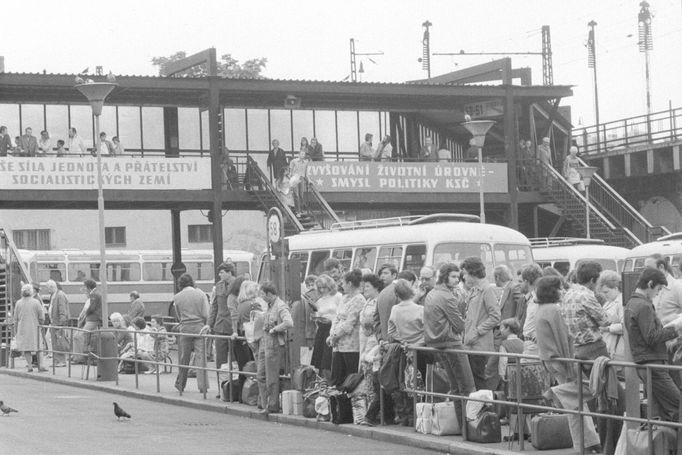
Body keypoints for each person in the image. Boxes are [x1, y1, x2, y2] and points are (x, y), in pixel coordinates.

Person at [534, 275, 602, 453]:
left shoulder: (541, 308)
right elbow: (564, 338)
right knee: (576, 401)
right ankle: (584, 444)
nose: (563, 291)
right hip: (561, 360)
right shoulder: (553, 310)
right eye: (560, 288)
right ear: (553, 291)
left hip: (551, 359)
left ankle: (590, 441)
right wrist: (571, 365)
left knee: (576, 402)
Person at [625, 268, 682, 422]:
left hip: (646, 362)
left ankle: (670, 445)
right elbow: (651, 337)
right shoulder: (643, 306)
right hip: (653, 363)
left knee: (665, 409)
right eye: (658, 289)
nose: (658, 293)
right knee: (678, 404)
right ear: (650, 284)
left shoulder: (632, 303)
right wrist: (675, 328)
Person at [423, 263, 476, 421]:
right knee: (467, 386)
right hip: (451, 342)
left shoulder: (432, 293)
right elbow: (460, 324)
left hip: (436, 343)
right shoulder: (447, 296)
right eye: (453, 277)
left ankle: (462, 425)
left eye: (457, 277)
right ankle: (467, 425)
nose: (456, 280)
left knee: (455, 386)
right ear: (444, 276)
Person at [560, 261, 610, 374]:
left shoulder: (568, 294)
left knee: (587, 386)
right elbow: (605, 321)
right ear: (592, 280)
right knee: (610, 385)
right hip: (594, 347)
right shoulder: (586, 296)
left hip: (576, 346)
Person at [461, 256, 501, 390]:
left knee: (479, 381)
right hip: (471, 345)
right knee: (474, 380)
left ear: (472, 273)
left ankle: (485, 409)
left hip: (479, 345)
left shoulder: (487, 290)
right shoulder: (475, 289)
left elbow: (495, 316)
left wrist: (477, 331)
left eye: (465, 273)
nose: (464, 277)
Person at [257, 281, 293, 414]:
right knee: (260, 374)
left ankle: (272, 405)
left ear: (269, 294)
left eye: (263, 294)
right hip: (265, 344)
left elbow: (289, 322)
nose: (261, 297)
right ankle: (264, 402)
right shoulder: (270, 305)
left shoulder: (280, 306)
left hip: (274, 345)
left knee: (271, 377)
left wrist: (275, 329)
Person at [486, 265, 524, 390]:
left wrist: (515, 322)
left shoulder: (513, 287)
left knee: (493, 366)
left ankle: (488, 395)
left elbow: (522, 303)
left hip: (507, 331)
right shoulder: (509, 288)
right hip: (504, 331)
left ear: (497, 277)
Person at [172, 273, 210, 394]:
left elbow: (178, 315)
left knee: (184, 357)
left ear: (180, 285)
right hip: (199, 328)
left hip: (185, 329)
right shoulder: (201, 294)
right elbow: (206, 314)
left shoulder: (177, 297)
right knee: (201, 357)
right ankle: (203, 386)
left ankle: (181, 384)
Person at [328, 269, 365, 386]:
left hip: (351, 347)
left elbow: (349, 323)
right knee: (336, 378)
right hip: (338, 345)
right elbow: (337, 317)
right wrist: (332, 334)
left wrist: (334, 336)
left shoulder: (359, 300)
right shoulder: (344, 298)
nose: (341, 285)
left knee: (349, 380)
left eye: (343, 283)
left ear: (350, 283)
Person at [310, 274, 341, 381]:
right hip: (322, 330)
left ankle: (331, 382)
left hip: (332, 329)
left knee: (328, 360)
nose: (322, 290)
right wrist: (316, 318)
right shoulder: (319, 301)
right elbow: (319, 313)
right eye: (320, 288)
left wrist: (331, 320)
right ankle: (323, 383)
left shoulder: (338, 297)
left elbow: (340, 314)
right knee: (320, 361)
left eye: (324, 287)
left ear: (330, 286)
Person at [208, 263, 236, 372]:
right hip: (220, 326)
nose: (220, 275)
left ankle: (234, 384)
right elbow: (214, 306)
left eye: (222, 272)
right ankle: (221, 383)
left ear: (229, 272)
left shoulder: (238, 284)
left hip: (233, 326)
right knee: (220, 358)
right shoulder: (218, 286)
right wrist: (209, 324)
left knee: (235, 358)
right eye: (219, 273)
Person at [14, 284, 47, 372]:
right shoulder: (36, 302)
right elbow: (41, 316)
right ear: (31, 292)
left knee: (26, 348)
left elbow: (15, 318)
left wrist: (16, 330)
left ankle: (29, 366)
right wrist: (41, 323)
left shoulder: (18, 303)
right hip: (34, 328)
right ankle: (40, 366)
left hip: (22, 328)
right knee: (38, 347)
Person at [596, 270, 625, 363]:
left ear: (616, 288)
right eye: (602, 293)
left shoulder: (621, 303)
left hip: (619, 349)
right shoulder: (609, 302)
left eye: (606, 292)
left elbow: (626, 326)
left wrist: (608, 328)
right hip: (609, 346)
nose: (604, 295)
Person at [520, 264, 543, 360]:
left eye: (521, 281)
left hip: (534, 344)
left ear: (526, 281)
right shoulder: (532, 296)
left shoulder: (539, 296)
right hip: (529, 342)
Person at [46, 280, 70, 366]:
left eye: (48, 288)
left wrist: (61, 323)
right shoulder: (54, 295)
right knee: (55, 342)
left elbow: (62, 309)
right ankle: (56, 360)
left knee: (59, 342)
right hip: (54, 322)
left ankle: (61, 361)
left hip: (58, 323)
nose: (47, 290)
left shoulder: (60, 295)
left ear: (52, 287)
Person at [82, 279, 102, 353]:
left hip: (93, 318)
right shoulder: (96, 293)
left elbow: (92, 308)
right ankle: (90, 353)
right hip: (95, 318)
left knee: (84, 333)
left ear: (88, 287)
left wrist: (86, 313)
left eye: (84, 286)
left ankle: (84, 353)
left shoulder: (94, 294)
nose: (84, 288)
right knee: (93, 336)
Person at [288, 148, 309, 212]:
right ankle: (298, 210)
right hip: (295, 178)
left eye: (304, 154)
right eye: (301, 154)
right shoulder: (293, 161)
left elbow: (306, 173)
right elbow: (290, 172)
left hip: (301, 178)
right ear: (299, 154)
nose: (303, 155)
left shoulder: (306, 162)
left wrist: (309, 180)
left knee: (301, 194)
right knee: (296, 194)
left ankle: (301, 209)